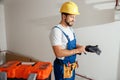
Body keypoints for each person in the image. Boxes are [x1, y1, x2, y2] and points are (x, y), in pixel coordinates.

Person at [49, 1, 86, 80]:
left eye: (74, 17)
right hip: (62, 68)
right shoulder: (56, 31)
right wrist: (77, 50)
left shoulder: (70, 29)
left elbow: (71, 45)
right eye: (72, 17)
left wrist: (83, 47)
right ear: (64, 16)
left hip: (70, 67)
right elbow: (58, 53)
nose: (74, 20)